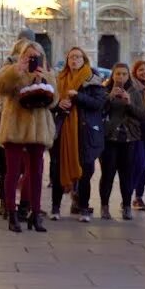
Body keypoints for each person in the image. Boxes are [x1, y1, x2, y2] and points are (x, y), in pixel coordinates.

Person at [0, 40, 56, 233]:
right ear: (22, 56)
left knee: (36, 173)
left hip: (38, 128)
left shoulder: (47, 73)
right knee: (12, 172)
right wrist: (16, 71)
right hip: (15, 126)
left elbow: (54, 102)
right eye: (28, 56)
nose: (32, 59)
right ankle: (12, 213)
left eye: (36, 56)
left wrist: (43, 83)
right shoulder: (12, 70)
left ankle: (35, 214)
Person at [50, 47, 107, 222]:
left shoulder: (93, 79)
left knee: (85, 171)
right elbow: (50, 102)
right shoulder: (59, 79)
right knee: (57, 169)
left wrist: (77, 97)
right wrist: (59, 104)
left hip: (85, 131)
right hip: (62, 130)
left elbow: (99, 103)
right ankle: (55, 207)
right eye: (71, 57)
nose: (74, 60)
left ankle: (83, 208)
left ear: (84, 60)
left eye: (78, 57)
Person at [98, 63, 145, 220]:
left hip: (129, 138)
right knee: (108, 173)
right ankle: (104, 206)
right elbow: (98, 110)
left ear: (128, 76)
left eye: (124, 74)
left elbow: (143, 116)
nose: (121, 77)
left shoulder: (135, 92)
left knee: (127, 174)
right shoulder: (105, 90)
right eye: (118, 74)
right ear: (112, 75)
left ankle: (126, 206)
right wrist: (109, 98)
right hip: (110, 138)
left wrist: (129, 104)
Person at [129, 60, 145, 211]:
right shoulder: (133, 89)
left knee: (144, 166)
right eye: (141, 70)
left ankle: (139, 196)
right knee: (138, 165)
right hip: (135, 132)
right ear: (135, 72)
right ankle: (129, 195)